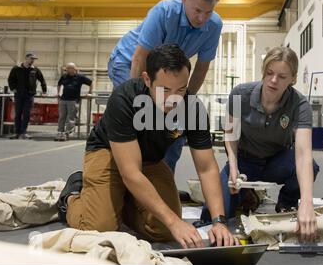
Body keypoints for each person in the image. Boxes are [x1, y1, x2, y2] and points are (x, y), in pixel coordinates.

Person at [57, 44, 237, 248]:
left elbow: (206, 168)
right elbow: (131, 172)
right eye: (164, 90)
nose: (173, 99)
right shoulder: (124, 99)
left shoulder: (192, 107)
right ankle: (71, 196)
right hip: (108, 153)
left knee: (162, 230)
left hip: (149, 159)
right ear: (147, 79)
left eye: (181, 89)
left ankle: (120, 201)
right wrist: (174, 221)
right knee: (99, 228)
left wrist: (219, 222)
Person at [201, 46, 320, 242]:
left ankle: (286, 203)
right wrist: (233, 166)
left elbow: (303, 154)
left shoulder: (300, 105)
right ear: (263, 71)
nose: (274, 80)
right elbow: (230, 135)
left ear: (293, 78)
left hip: (277, 160)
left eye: (282, 76)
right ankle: (247, 194)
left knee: (311, 167)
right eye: (270, 73)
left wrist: (306, 203)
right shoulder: (240, 94)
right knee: (212, 217)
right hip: (245, 161)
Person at [108, 0, 223, 172]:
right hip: (129, 62)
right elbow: (139, 58)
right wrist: (138, 102)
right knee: (139, 118)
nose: (202, 18)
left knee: (175, 124)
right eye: (197, 10)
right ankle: (126, 175)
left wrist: (184, 100)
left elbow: (201, 68)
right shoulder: (164, 11)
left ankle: (163, 179)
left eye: (208, 12)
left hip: (165, 73)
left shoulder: (214, 25)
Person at [7, 51, 47, 140]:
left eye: (34, 59)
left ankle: (23, 132)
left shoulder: (35, 70)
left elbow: (42, 80)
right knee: (18, 113)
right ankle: (17, 133)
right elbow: (10, 79)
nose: (33, 61)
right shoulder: (16, 68)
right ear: (26, 58)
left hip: (29, 95)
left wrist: (44, 91)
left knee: (27, 114)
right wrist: (13, 88)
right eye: (31, 59)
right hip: (19, 94)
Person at [55, 63, 93, 141]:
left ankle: (67, 133)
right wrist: (58, 93)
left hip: (73, 100)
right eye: (67, 68)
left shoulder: (80, 77)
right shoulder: (64, 76)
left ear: (74, 69)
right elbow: (59, 84)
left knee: (70, 117)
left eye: (69, 68)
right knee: (62, 117)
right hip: (63, 100)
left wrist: (90, 92)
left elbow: (91, 83)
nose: (68, 70)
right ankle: (60, 132)